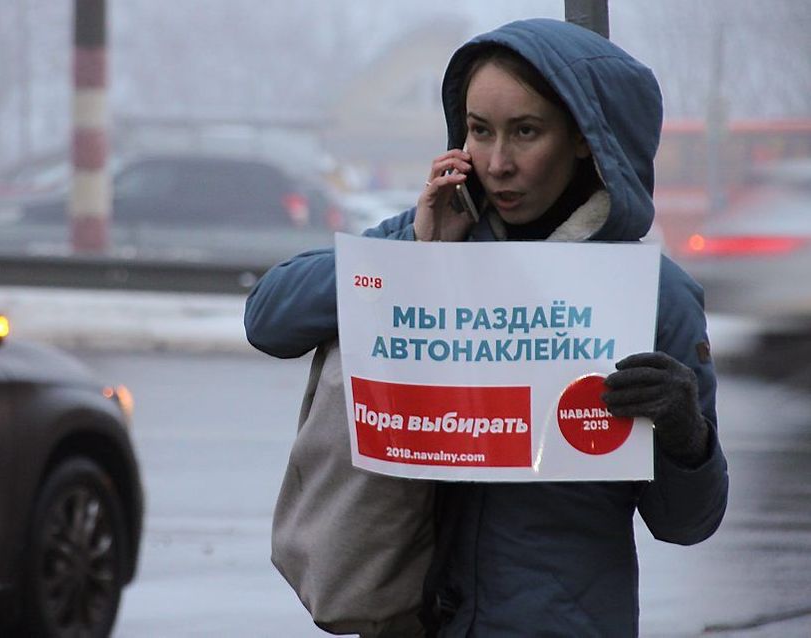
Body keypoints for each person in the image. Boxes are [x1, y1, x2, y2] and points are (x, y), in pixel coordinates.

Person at [245, 17, 728, 637]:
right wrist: (414, 259)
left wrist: (685, 434)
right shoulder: (435, 230)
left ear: (585, 139)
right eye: (479, 131)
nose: (496, 163)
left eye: (525, 132)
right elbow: (267, 317)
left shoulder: (654, 297)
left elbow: (688, 523)